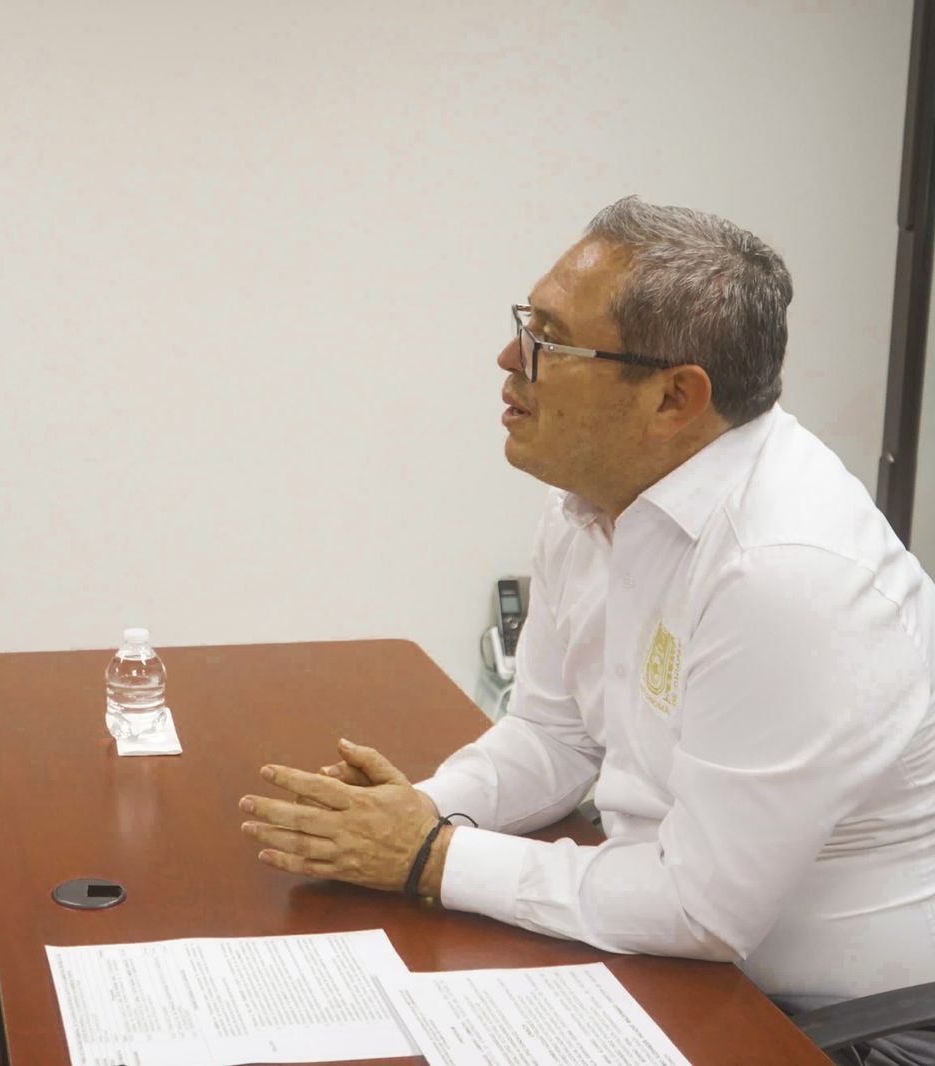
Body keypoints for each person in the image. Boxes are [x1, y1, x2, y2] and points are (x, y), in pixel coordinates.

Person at [239, 197, 935, 1064]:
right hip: (680, 959)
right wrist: (417, 811)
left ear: (674, 397)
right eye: (524, 323)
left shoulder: (786, 571)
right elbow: (553, 734)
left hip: (846, 1024)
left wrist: (429, 857)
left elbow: (701, 908)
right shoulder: (594, 501)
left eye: (549, 341)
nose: (508, 359)